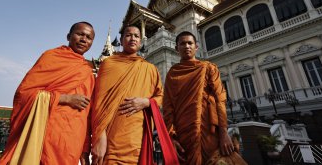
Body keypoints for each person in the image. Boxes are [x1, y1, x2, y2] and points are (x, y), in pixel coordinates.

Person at [0, 22, 95, 165]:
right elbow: (23, 94)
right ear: (68, 36)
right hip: (44, 135)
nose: (84, 39)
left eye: (89, 37)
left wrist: (85, 150)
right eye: (80, 34)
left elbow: (87, 113)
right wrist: (65, 98)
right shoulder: (51, 57)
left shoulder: (87, 72)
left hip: (72, 141)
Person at [163, 31, 247, 165]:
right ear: (176, 48)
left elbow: (220, 100)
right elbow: (168, 107)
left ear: (196, 47)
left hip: (208, 131)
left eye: (190, 43)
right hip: (183, 133)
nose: (186, 46)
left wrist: (224, 133)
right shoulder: (172, 74)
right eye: (182, 44)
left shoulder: (208, 68)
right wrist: (170, 137)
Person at [91, 25, 163, 165]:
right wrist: (99, 135)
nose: (133, 38)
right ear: (122, 40)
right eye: (128, 35)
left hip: (138, 136)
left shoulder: (150, 69)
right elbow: (99, 101)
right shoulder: (108, 64)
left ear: (140, 42)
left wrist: (146, 102)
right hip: (112, 135)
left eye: (136, 36)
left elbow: (160, 97)